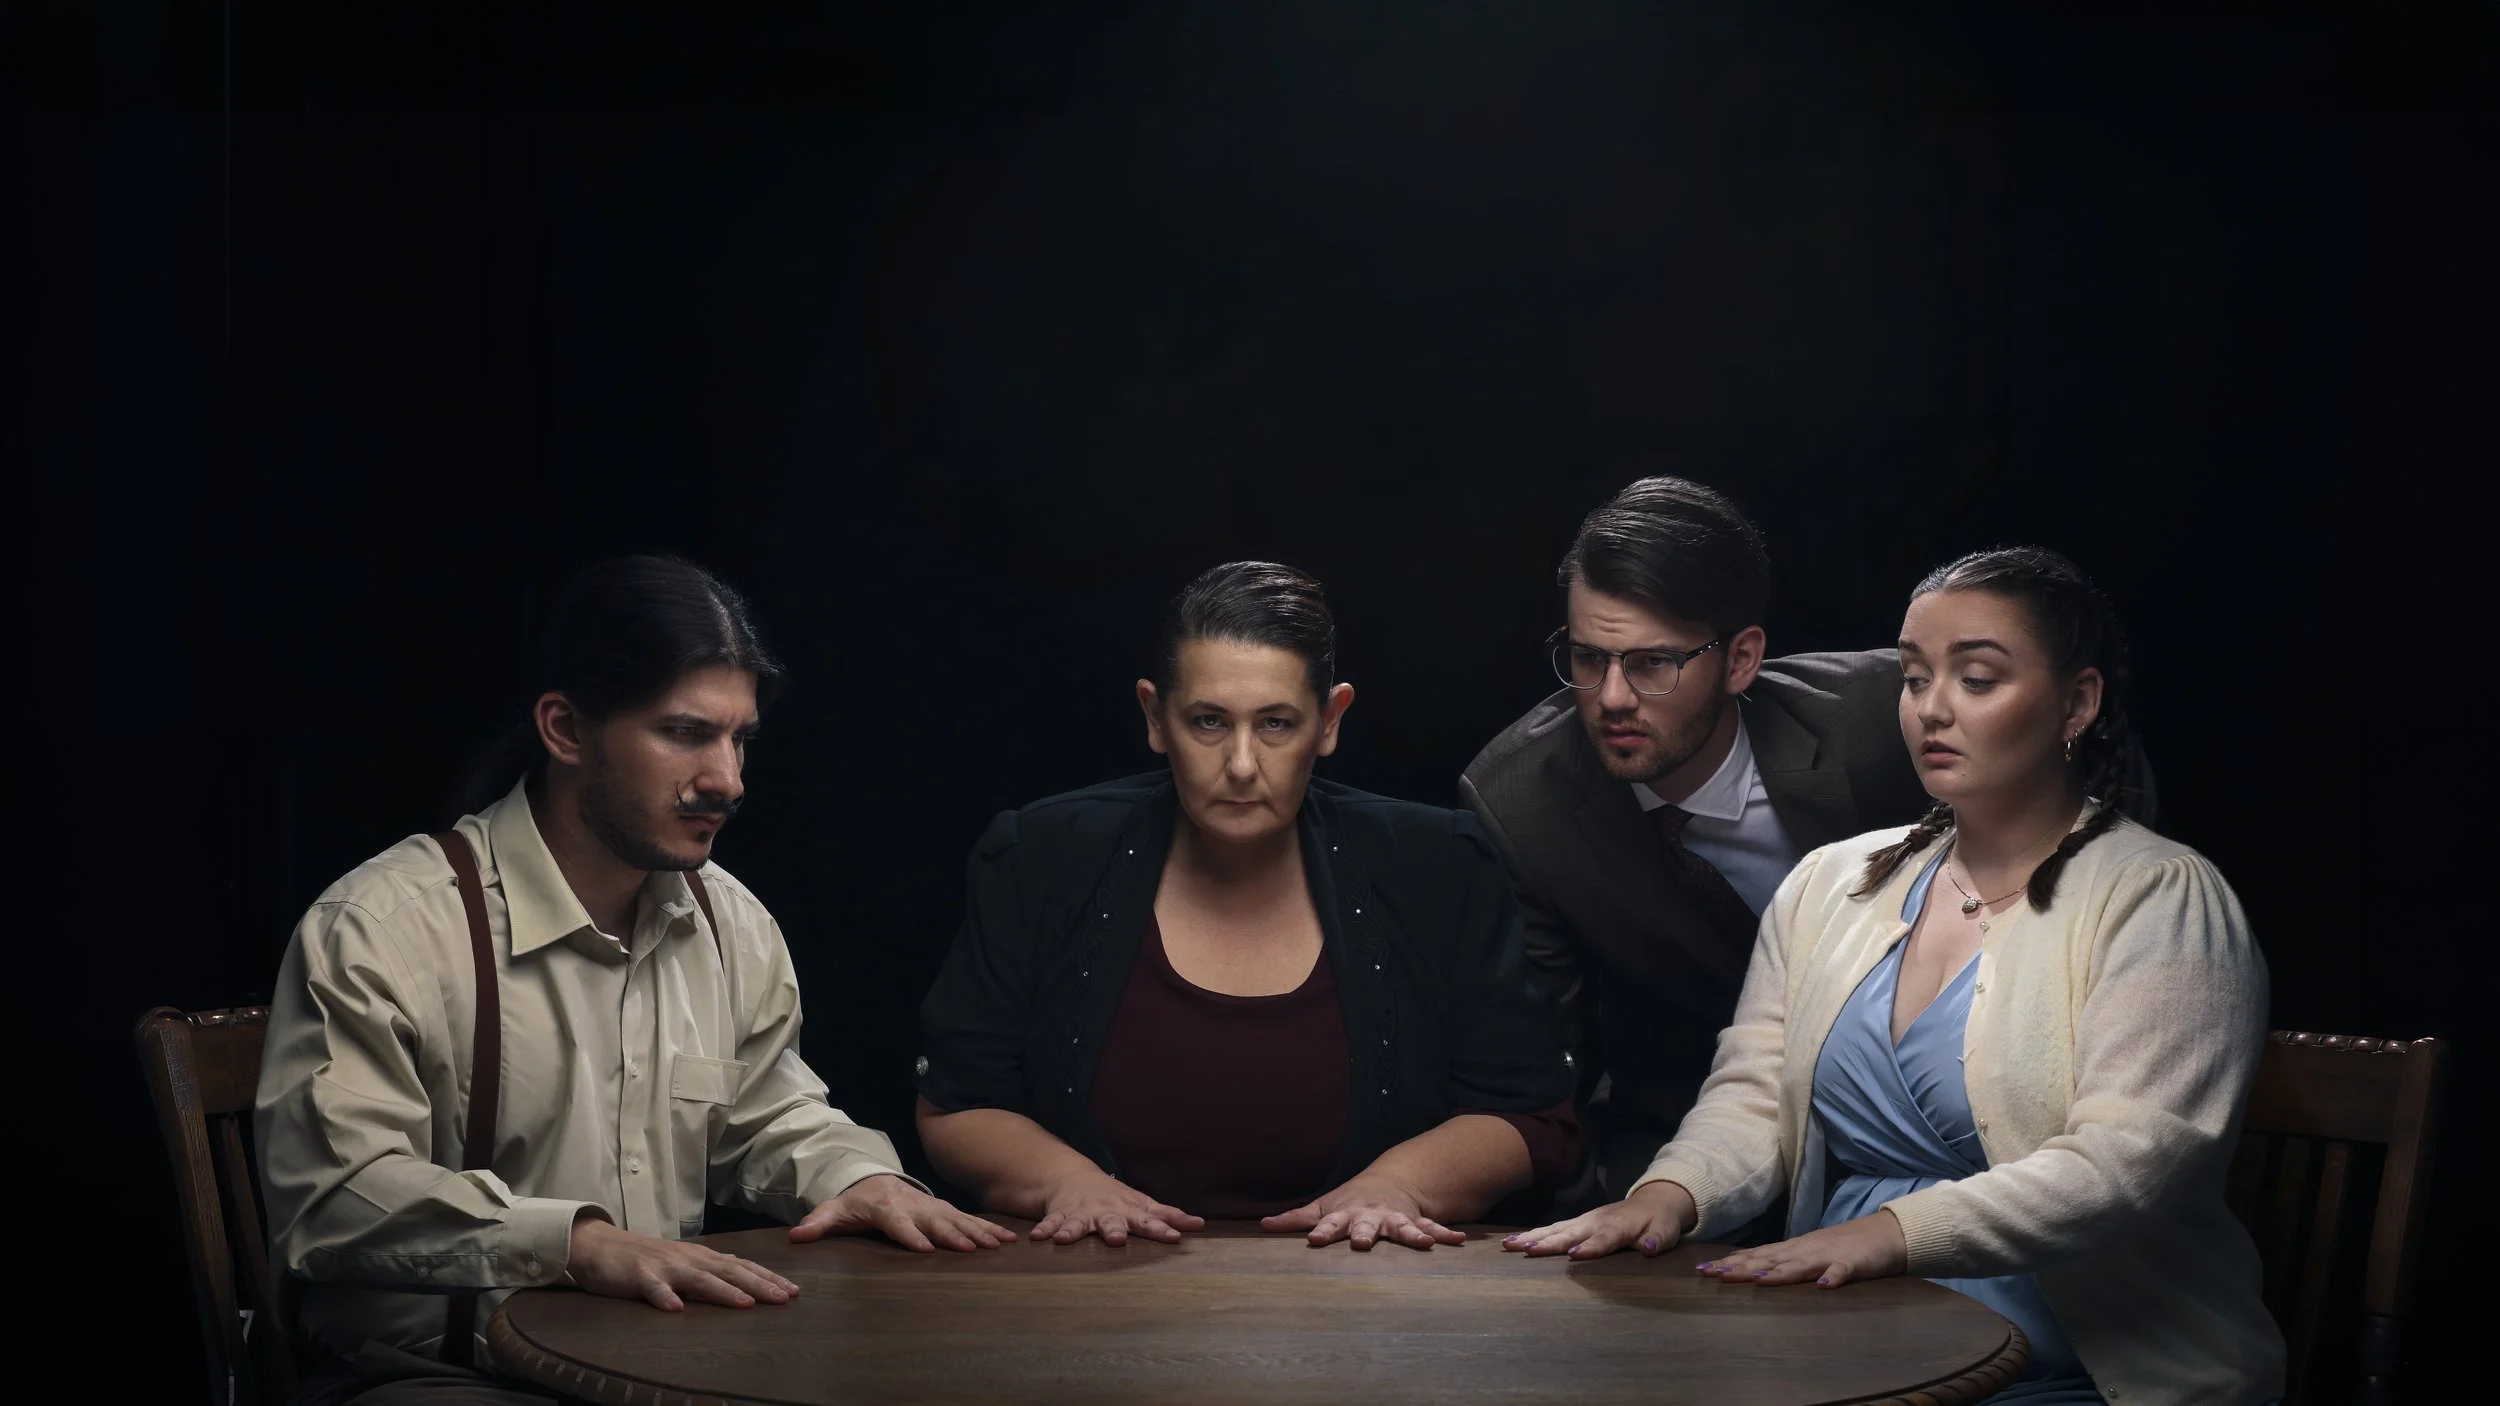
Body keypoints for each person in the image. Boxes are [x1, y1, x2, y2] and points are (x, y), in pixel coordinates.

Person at [1504, 546, 2283, 1405]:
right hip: (1842, 1343)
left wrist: (1888, 1235)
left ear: (2077, 702)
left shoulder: (2159, 897)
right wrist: (1668, 1195)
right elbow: (1758, 1094)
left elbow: (2127, 1163)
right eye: (1914, 679)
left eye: (1977, 680)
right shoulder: (1835, 882)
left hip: (2080, 1364)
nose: (1930, 711)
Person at [257, 556, 1010, 1406]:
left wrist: (858, 1178)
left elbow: (769, 1113)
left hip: (655, 1373)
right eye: (685, 733)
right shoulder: (386, 927)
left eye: (739, 739)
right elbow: (338, 1197)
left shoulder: (731, 924)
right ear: (566, 730)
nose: (727, 780)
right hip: (434, 1380)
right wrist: (578, 1245)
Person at [916, 561, 1579, 1250]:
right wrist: (1064, 1182)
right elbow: (959, 1104)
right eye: (1207, 721)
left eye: (1275, 724)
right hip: (1091, 1288)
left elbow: (1528, 1113)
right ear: (1154, 716)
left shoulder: (1437, 866)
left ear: (1329, 721)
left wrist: (1400, 1186)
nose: (1239, 763)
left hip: (1368, 1302)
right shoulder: (1041, 858)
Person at [1461, 477, 1939, 1202]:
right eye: (1589, 659)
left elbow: (2074, 750)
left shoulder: (1887, 718)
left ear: (1741, 660)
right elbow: (1548, 1070)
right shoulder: (1519, 803)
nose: (1612, 697)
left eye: (1653, 663)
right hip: (1681, 1147)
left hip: (1927, 1123)